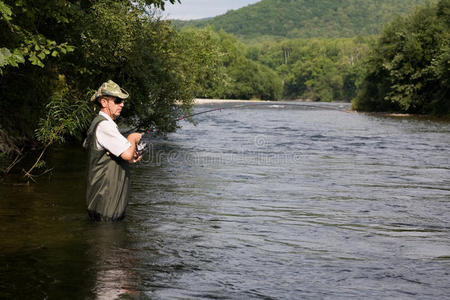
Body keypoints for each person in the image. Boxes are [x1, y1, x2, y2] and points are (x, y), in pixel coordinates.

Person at [84, 80, 142, 221]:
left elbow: (126, 155)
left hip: (107, 202)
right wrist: (133, 138)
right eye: (117, 100)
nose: (122, 104)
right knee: (107, 240)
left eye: (122, 101)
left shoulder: (106, 125)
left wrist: (132, 154)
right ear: (104, 102)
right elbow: (128, 154)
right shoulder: (105, 126)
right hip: (106, 203)